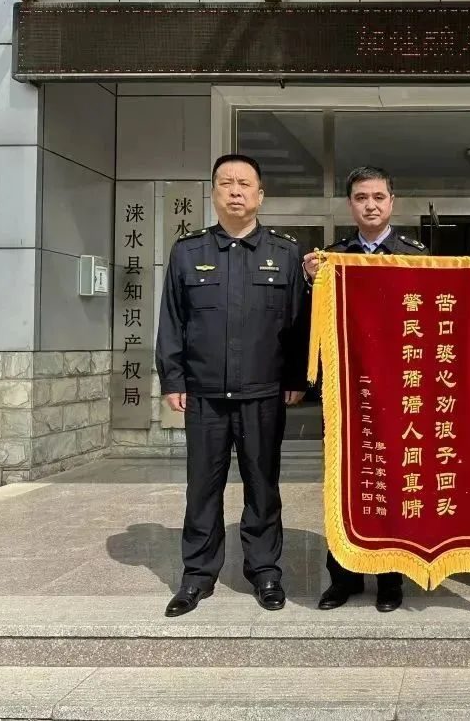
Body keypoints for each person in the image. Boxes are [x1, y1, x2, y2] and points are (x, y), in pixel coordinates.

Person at [156, 153, 309, 617]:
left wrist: (296, 377)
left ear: (260, 195)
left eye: (245, 184)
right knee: (202, 488)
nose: (236, 191)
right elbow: (172, 320)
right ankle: (197, 576)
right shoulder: (188, 251)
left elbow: (299, 323)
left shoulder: (285, 253)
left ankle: (265, 571)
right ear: (213, 193)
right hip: (205, 394)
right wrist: (173, 377)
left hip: (264, 393)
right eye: (226, 183)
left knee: (263, 486)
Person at [303, 166, 427, 613]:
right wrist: (310, 280)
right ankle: (343, 577)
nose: (370, 205)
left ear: (392, 201)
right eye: (361, 197)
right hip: (346, 394)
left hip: (399, 393)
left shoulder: (415, 255)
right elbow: (309, 322)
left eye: (378, 196)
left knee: (392, 480)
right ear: (350, 204)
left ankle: (390, 579)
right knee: (344, 481)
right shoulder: (332, 257)